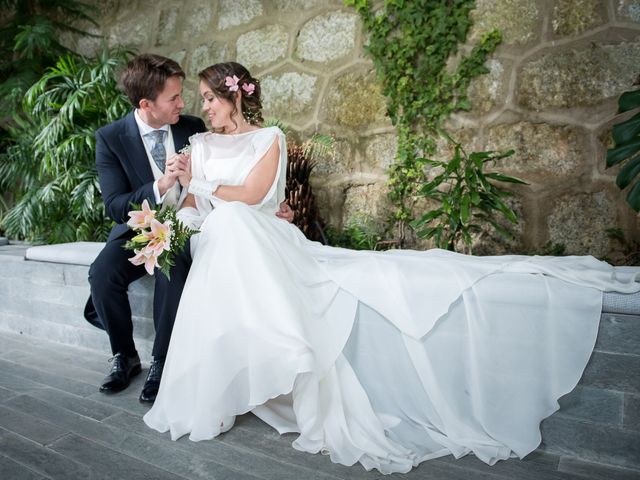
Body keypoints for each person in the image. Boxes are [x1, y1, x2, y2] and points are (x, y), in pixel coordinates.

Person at [143, 61, 640, 474]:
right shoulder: (200, 148)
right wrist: (175, 196)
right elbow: (194, 209)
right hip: (229, 243)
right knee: (225, 228)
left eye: (210, 97)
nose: (203, 108)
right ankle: (235, 377)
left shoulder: (269, 137)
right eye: (202, 99)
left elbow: (253, 196)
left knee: (240, 226)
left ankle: (286, 348)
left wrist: (204, 193)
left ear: (236, 97)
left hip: (266, 240)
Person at [85, 54, 293, 403]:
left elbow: (236, 164)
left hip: (191, 222)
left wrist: (273, 206)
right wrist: (162, 184)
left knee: (174, 263)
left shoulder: (194, 128)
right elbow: (115, 206)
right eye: (174, 98)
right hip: (142, 227)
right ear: (146, 104)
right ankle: (124, 356)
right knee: (102, 275)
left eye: (185, 95)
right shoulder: (111, 138)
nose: (184, 104)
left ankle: (162, 363)